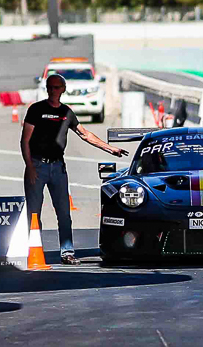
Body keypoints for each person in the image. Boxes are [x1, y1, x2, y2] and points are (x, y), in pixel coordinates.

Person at [20, 73, 125, 264]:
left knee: (64, 213)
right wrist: (30, 166)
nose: (53, 91)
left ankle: (67, 252)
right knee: (34, 213)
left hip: (58, 168)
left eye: (56, 87)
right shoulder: (36, 109)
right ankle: (34, 251)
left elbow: (85, 134)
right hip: (37, 165)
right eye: (50, 87)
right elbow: (25, 140)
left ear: (63, 89)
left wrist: (110, 149)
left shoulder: (66, 112)